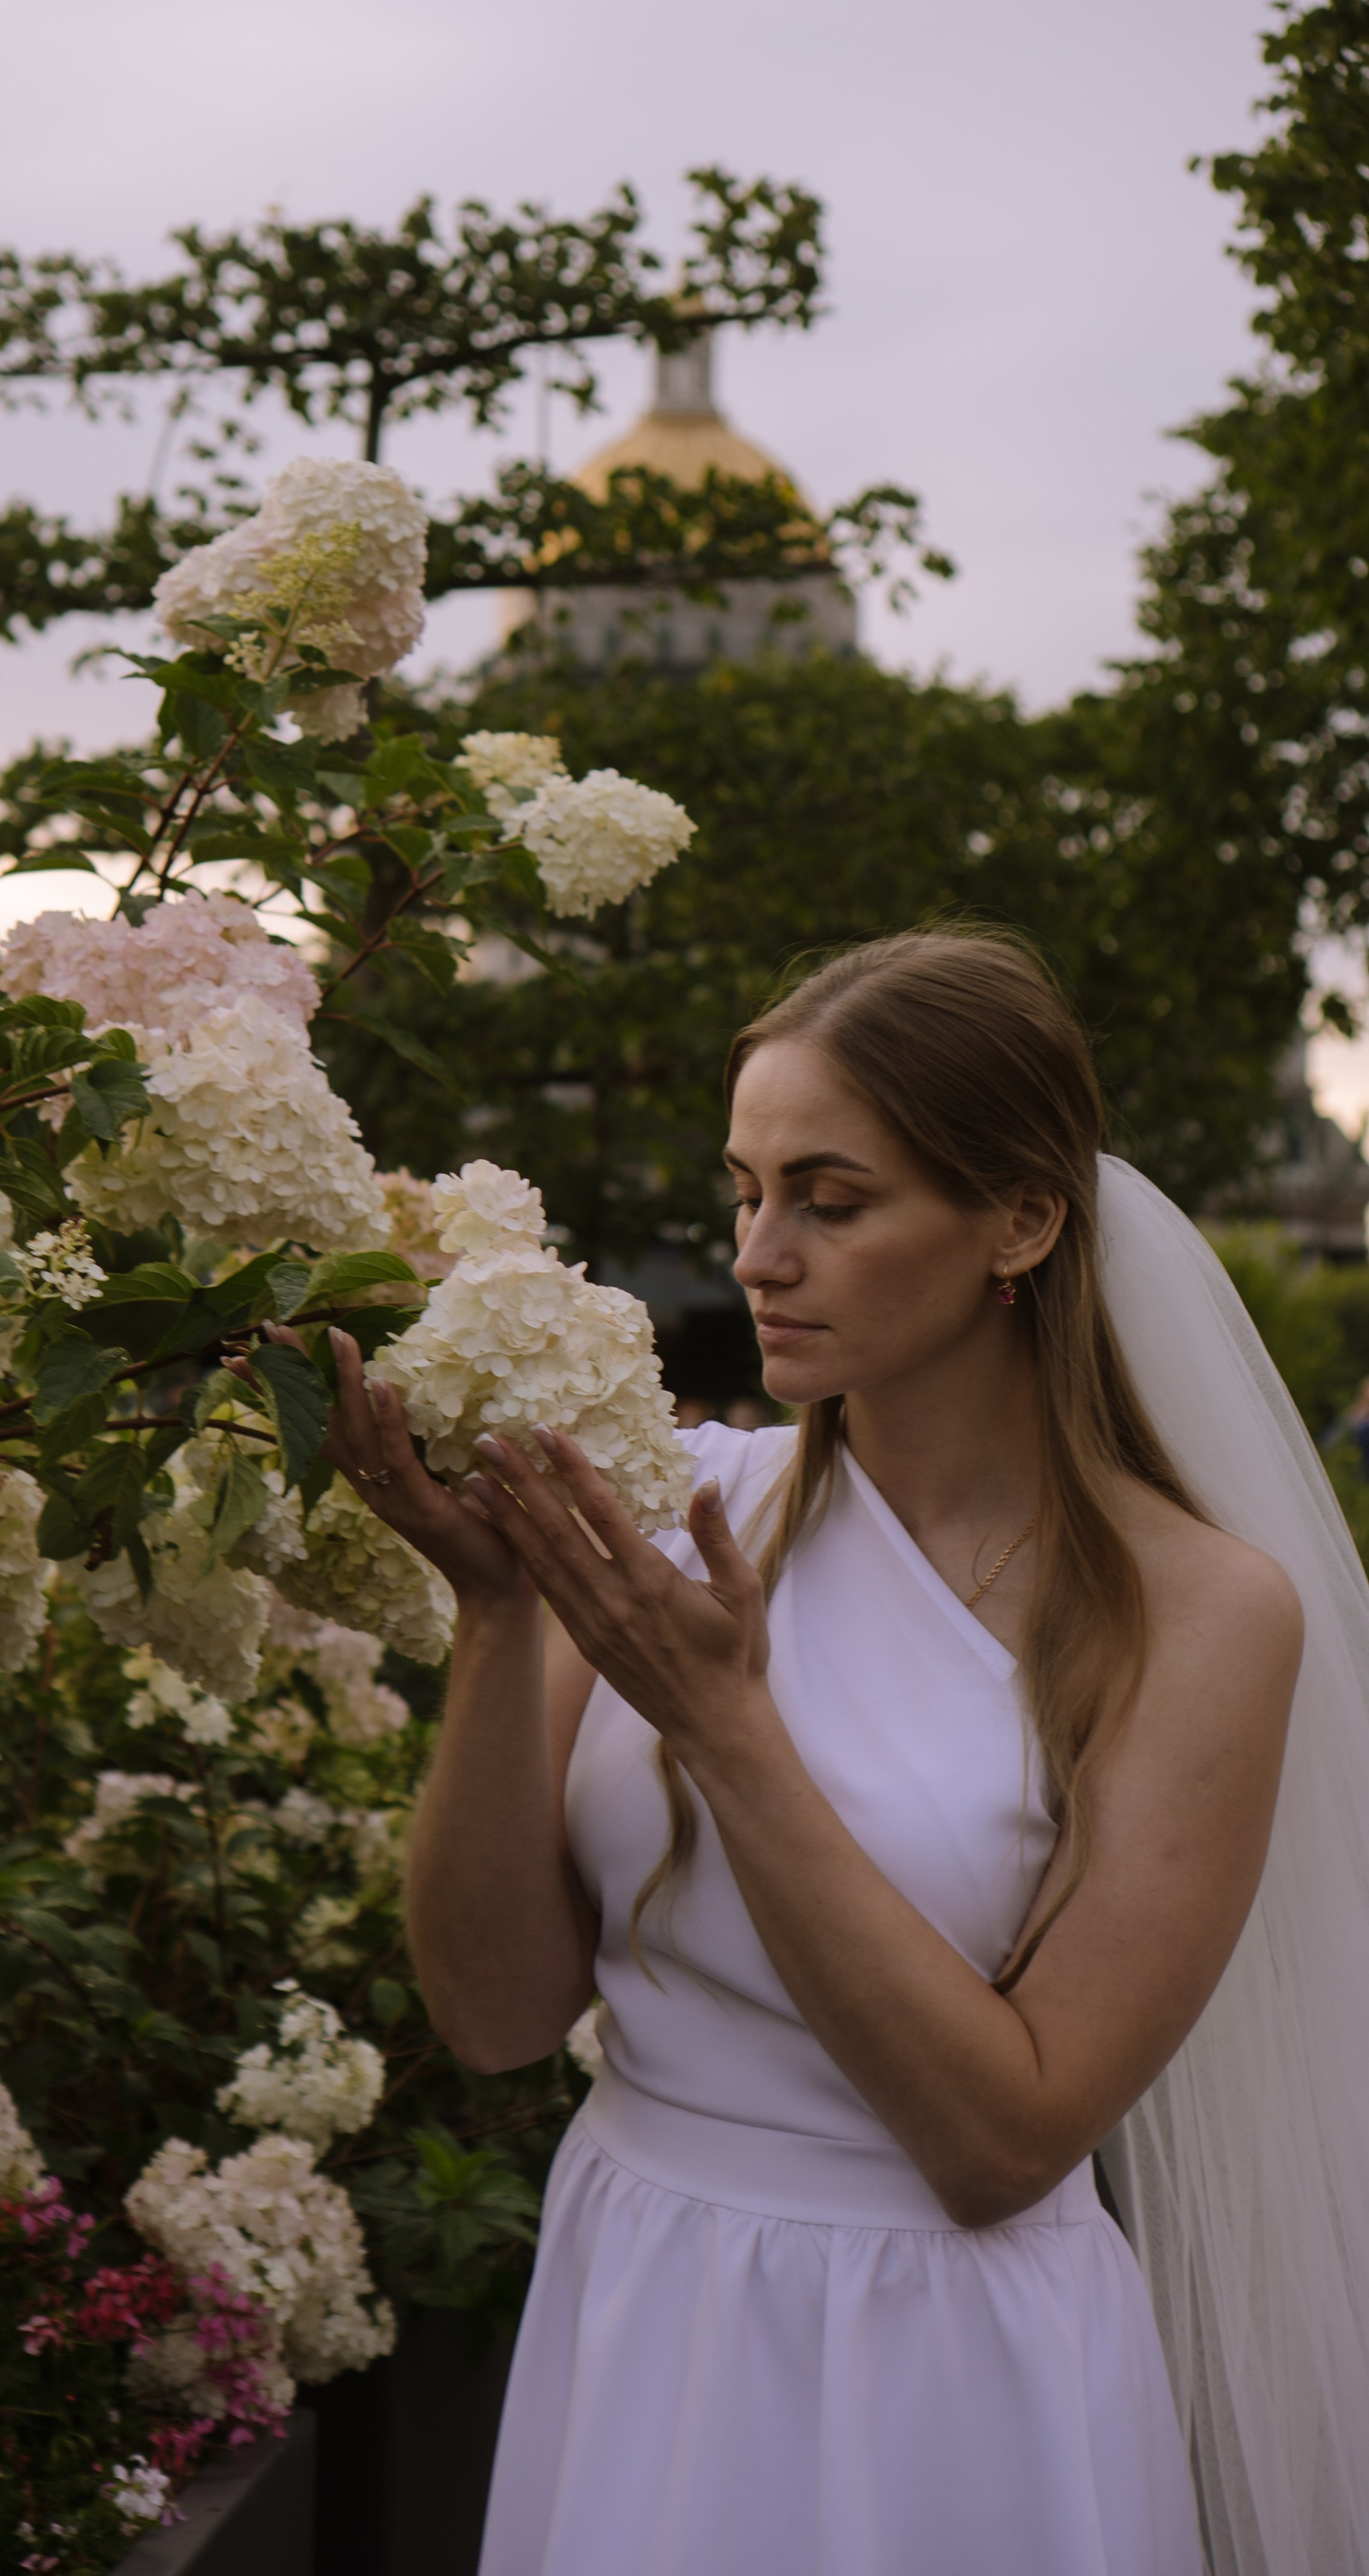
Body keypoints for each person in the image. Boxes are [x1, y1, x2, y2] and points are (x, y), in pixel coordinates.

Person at [318, 931, 1369, 2575]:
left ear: (1015, 1222)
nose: (756, 1254)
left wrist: (732, 1737)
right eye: (743, 1192)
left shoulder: (1200, 1614)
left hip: (940, 2365)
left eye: (829, 1197)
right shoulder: (677, 1509)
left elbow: (1001, 2142)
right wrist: (493, 1613)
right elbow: (496, 2015)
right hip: (639, 2303)